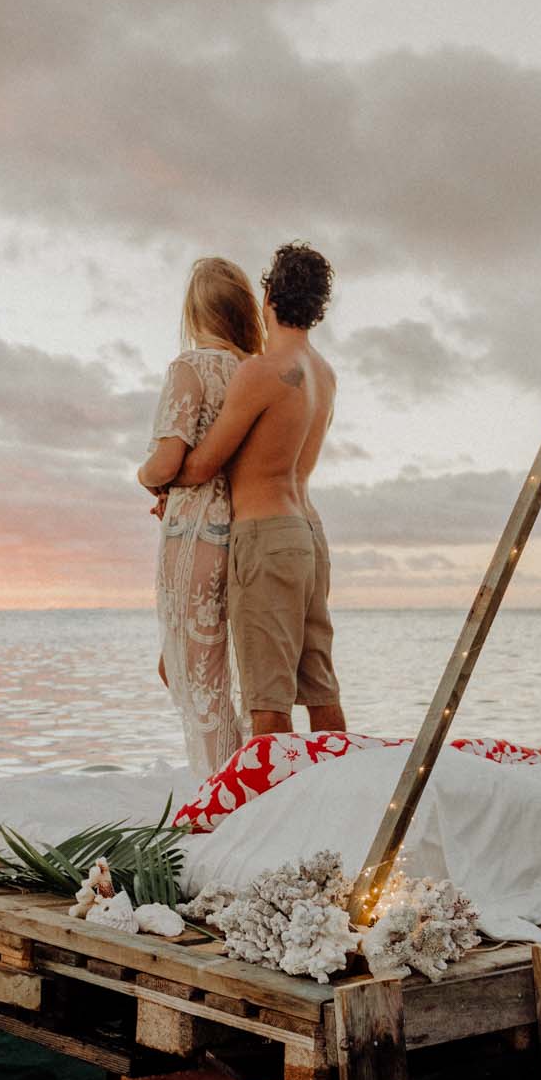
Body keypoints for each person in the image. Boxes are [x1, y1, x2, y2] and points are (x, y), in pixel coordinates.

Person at [173, 242, 343, 739]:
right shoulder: (325, 374)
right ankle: (347, 800)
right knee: (321, 689)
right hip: (309, 534)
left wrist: (160, 478)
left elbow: (204, 463)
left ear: (268, 295)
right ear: (317, 308)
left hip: (267, 536)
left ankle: (279, 815)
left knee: (268, 703)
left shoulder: (261, 372)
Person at [135, 258, 263, 777]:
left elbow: (167, 460)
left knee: (196, 674)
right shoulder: (251, 373)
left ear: (194, 312)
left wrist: (146, 476)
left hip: (194, 537)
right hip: (243, 528)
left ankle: (222, 796)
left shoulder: (190, 369)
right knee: (202, 669)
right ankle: (238, 780)